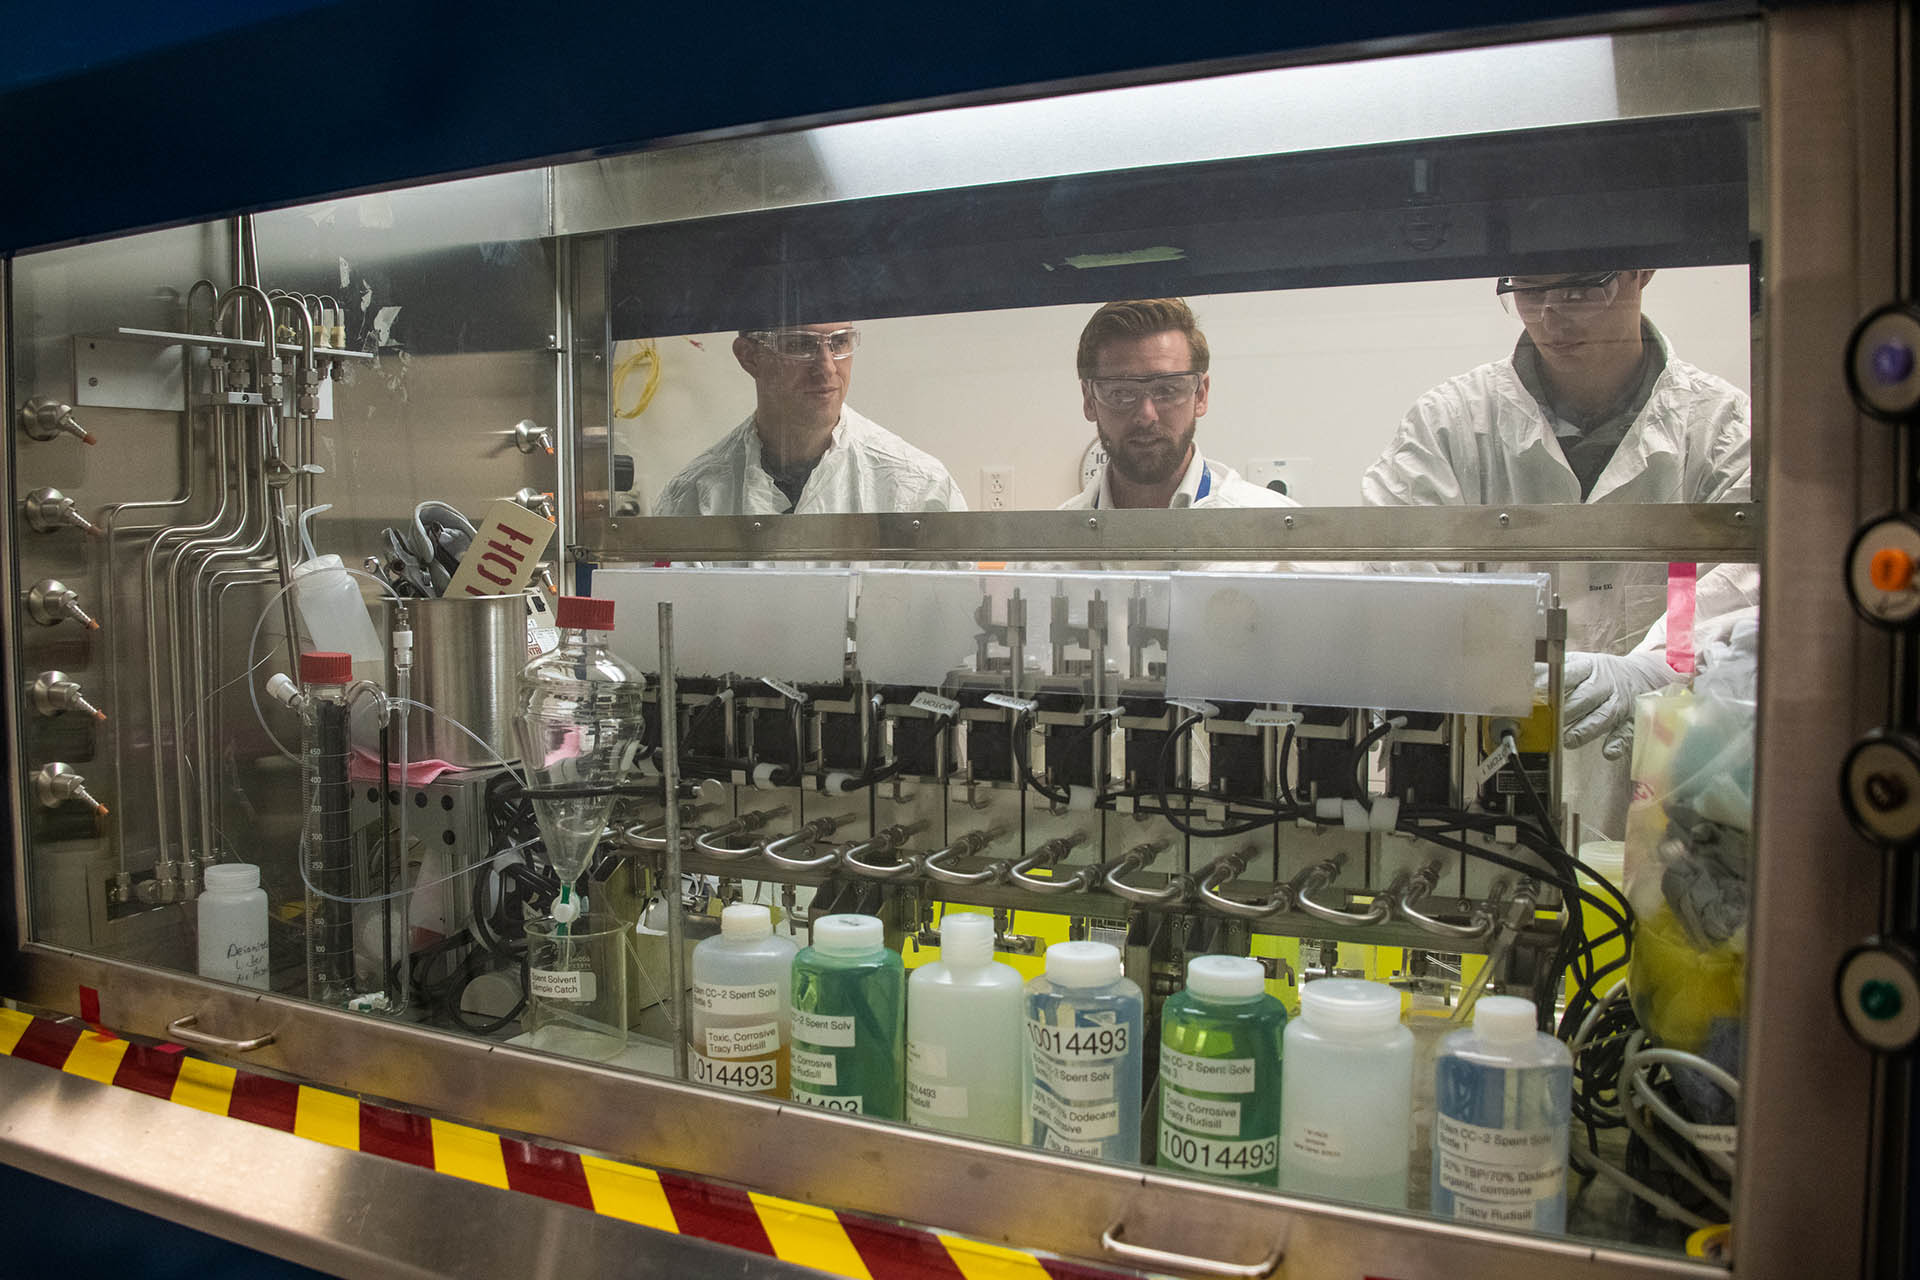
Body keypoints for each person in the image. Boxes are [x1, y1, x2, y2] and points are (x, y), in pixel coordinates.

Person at [1361, 269, 1756, 837]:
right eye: (1529, 291)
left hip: (1665, 801)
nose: (1551, 315)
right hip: (1476, 796)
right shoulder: (1449, 425)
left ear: (1642, 269)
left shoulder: (1722, 430)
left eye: (1578, 288)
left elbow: (1749, 592)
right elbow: (1398, 581)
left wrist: (1657, 667)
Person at [653, 321, 965, 516]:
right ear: (750, 357)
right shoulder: (693, 498)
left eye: (840, 342)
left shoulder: (918, 489)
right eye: (802, 345)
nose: (827, 367)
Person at [1063, 298, 1298, 511]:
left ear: (1201, 395)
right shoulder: (1044, 550)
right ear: (1088, 400)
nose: (1146, 415)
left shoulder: (1278, 542)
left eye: (1167, 390)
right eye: (1121, 393)